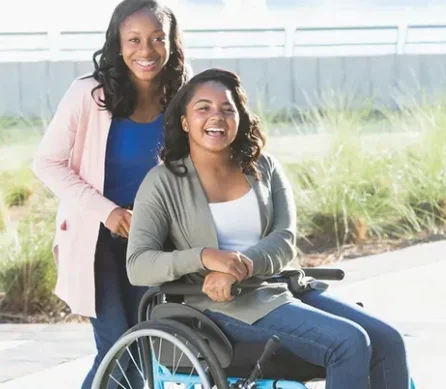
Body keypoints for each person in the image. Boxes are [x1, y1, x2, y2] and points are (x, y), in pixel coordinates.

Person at [125, 68, 412, 388]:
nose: (216, 117)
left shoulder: (264, 167)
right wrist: (205, 257)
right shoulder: (162, 183)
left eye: (227, 109)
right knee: (348, 342)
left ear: (239, 117)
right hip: (219, 305)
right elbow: (139, 265)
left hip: (281, 287)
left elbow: (284, 239)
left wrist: (240, 266)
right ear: (184, 121)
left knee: (389, 340)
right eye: (203, 108)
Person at [31, 0, 189, 389]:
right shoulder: (89, 94)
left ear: (171, 43)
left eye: (157, 38)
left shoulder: (183, 98)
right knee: (119, 348)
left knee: (145, 345)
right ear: (117, 44)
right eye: (133, 39)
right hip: (95, 238)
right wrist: (108, 212)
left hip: (154, 241)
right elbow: (46, 163)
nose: (146, 50)